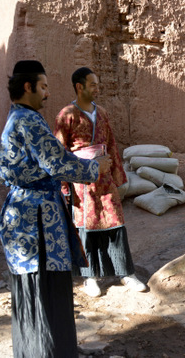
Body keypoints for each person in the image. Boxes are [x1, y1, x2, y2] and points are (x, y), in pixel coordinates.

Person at [0, 60, 108, 357]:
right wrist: (95, 167)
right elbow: (57, 163)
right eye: (43, 87)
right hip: (38, 219)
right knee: (45, 287)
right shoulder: (29, 121)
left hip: (22, 213)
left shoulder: (15, 118)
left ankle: (34, 350)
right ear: (28, 86)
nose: (47, 94)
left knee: (32, 289)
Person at [55, 67, 147, 297]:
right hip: (81, 182)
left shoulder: (102, 113)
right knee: (86, 226)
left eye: (98, 84)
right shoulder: (66, 115)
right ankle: (90, 277)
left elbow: (112, 144)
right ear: (80, 87)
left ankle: (126, 272)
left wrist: (118, 175)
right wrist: (65, 184)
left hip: (105, 178)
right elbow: (59, 152)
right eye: (93, 84)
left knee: (115, 222)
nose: (98, 88)